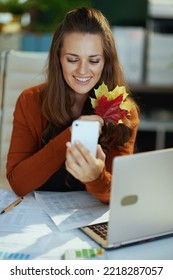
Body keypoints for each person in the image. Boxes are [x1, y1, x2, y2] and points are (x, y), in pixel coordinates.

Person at [6, 7, 139, 203]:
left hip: (88, 223)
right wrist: (73, 134)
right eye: (72, 59)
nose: (83, 71)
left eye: (94, 60)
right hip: (37, 219)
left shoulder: (123, 110)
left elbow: (120, 196)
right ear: (58, 58)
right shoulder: (30, 101)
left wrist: (96, 177)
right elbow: (18, 184)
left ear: (106, 62)